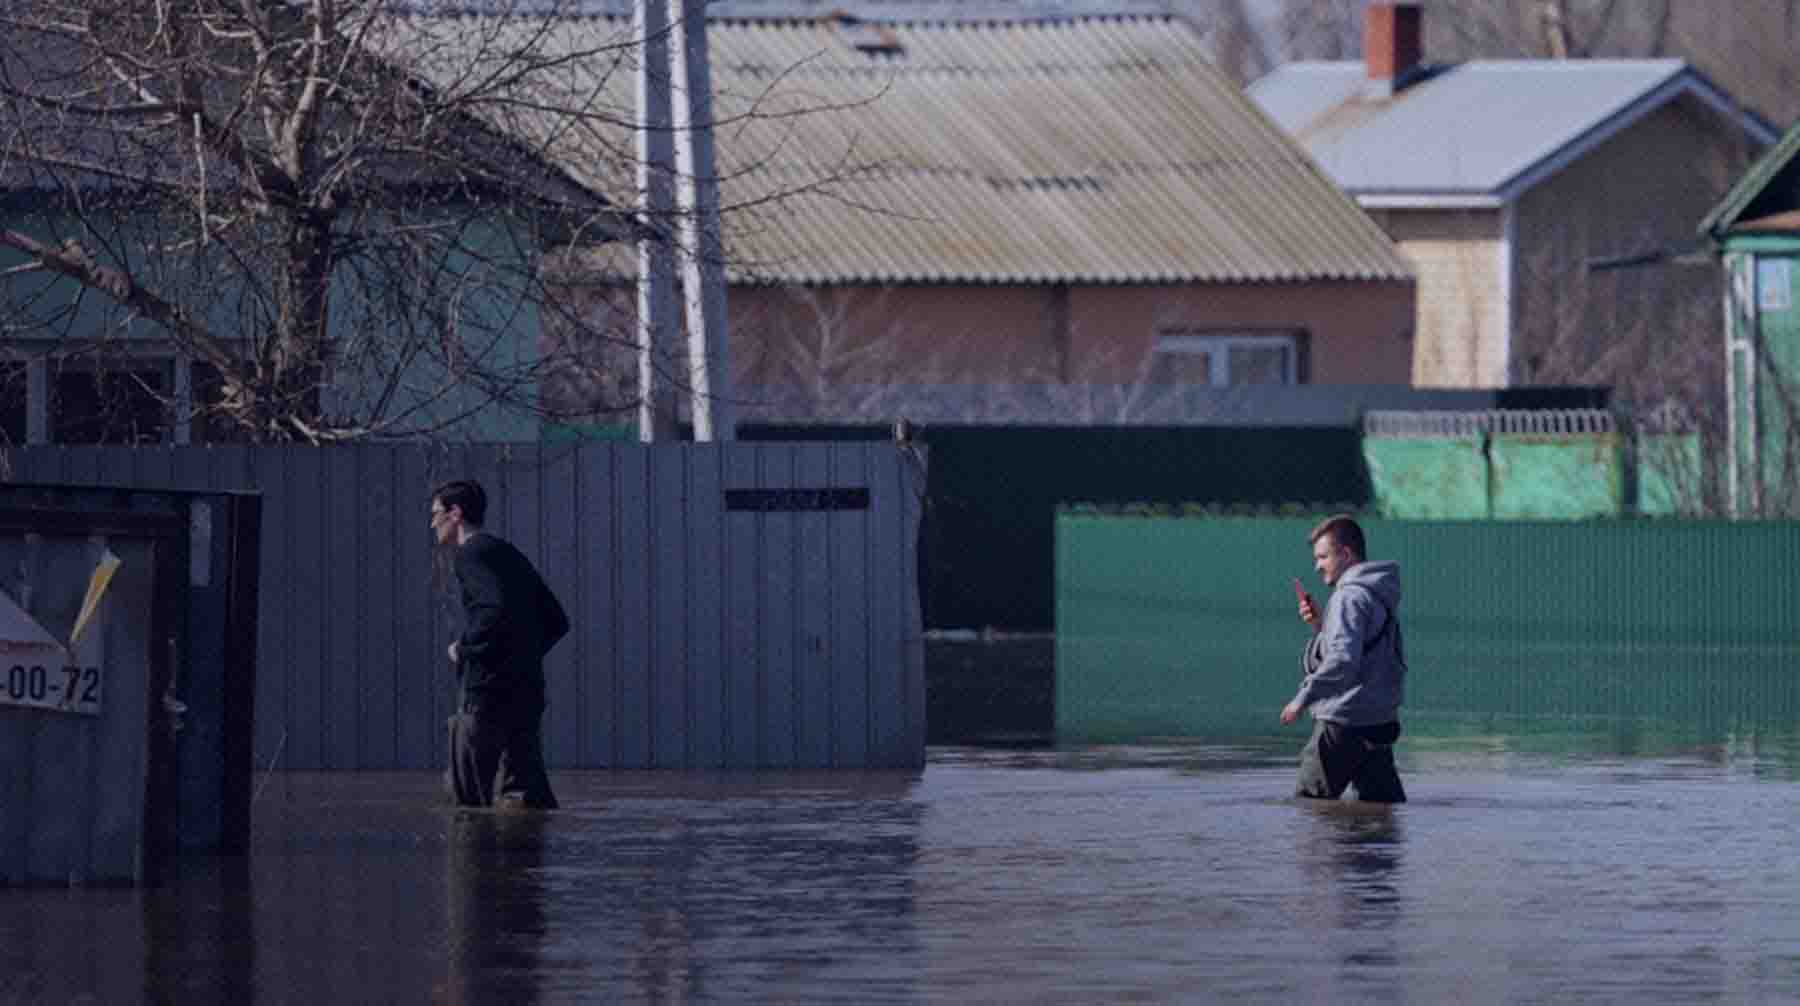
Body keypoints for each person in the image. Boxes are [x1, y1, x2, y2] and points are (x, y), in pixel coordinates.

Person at [432, 479, 568, 810]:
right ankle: (526, 862)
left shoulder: (470, 554)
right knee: (525, 801)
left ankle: (478, 863)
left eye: (435, 514)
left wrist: (464, 648)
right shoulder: (507, 554)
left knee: (465, 804)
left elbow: (492, 609)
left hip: (486, 695)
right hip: (526, 692)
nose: (431, 523)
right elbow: (556, 619)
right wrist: (522, 658)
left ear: (455, 514)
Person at [1280, 514, 1407, 803]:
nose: (1317, 565)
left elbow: (1342, 662)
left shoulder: (1348, 598)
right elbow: (1366, 654)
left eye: (1323, 556)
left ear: (1346, 554)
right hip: (1378, 725)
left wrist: (1303, 698)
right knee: (1382, 820)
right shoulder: (1379, 593)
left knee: (1307, 810)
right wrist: (1321, 626)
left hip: (1342, 725)